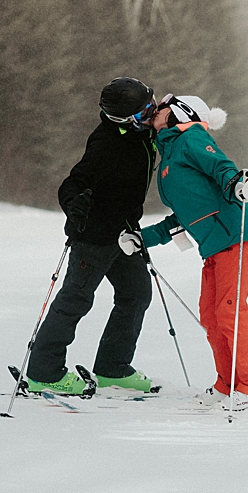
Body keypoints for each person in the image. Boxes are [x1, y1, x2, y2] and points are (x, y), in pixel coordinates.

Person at [120, 93, 248, 409]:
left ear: (180, 113)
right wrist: (143, 238)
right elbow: (184, 215)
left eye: (165, 105)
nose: (158, 109)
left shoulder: (190, 136)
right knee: (211, 315)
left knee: (230, 312)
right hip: (214, 245)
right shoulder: (168, 154)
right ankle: (228, 385)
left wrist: (236, 181)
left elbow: (219, 164)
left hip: (236, 235)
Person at [27, 76, 159, 395]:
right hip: (96, 237)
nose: (151, 116)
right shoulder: (107, 144)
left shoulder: (140, 133)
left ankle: (113, 367)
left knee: (137, 294)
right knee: (75, 299)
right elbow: (72, 183)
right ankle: (44, 371)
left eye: (151, 107)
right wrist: (74, 204)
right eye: (144, 113)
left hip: (124, 234)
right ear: (121, 118)